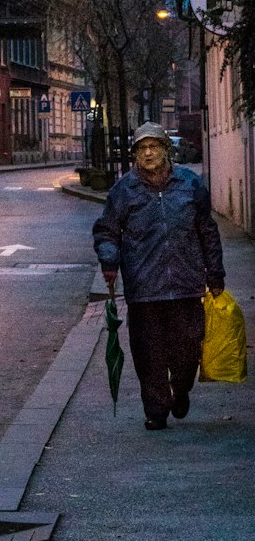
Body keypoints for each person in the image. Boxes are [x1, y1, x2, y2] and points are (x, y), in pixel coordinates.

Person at [93, 122, 224, 430]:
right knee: (149, 354)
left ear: (167, 149)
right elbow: (107, 231)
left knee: (188, 348)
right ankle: (156, 410)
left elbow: (208, 232)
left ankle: (180, 389)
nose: (148, 152)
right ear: (136, 153)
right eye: (142, 148)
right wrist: (110, 260)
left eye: (154, 146)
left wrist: (215, 275)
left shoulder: (189, 184)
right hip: (144, 289)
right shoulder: (124, 191)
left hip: (187, 285)